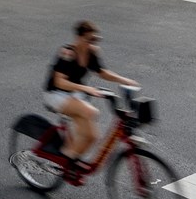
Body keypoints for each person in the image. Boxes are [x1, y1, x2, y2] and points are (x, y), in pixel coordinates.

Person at [44, 20, 138, 166]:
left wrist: (123, 80)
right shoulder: (68, 53)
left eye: (95, 40)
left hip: (74, 94)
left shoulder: (91, 52)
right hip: (56, 94)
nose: (92, 43)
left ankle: (67, 162)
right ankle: (61, 161)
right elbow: (59, 82)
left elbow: (102, 72)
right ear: (79, 38)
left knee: (93, 136)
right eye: (89, 40)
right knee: (90, 111)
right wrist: (85, 88)